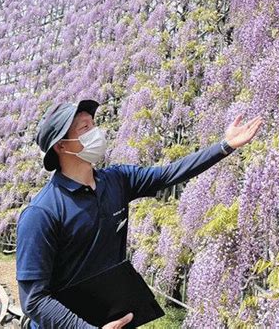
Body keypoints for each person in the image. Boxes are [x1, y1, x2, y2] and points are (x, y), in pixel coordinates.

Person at [16, 98, 263, 328]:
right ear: (61, 145)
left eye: (94, 125)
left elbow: (169, 174)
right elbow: (34, 300)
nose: (96, 133)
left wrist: (224, 146)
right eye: (85, 128)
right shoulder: (42, 213)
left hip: (112, 317)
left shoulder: (117, 180)